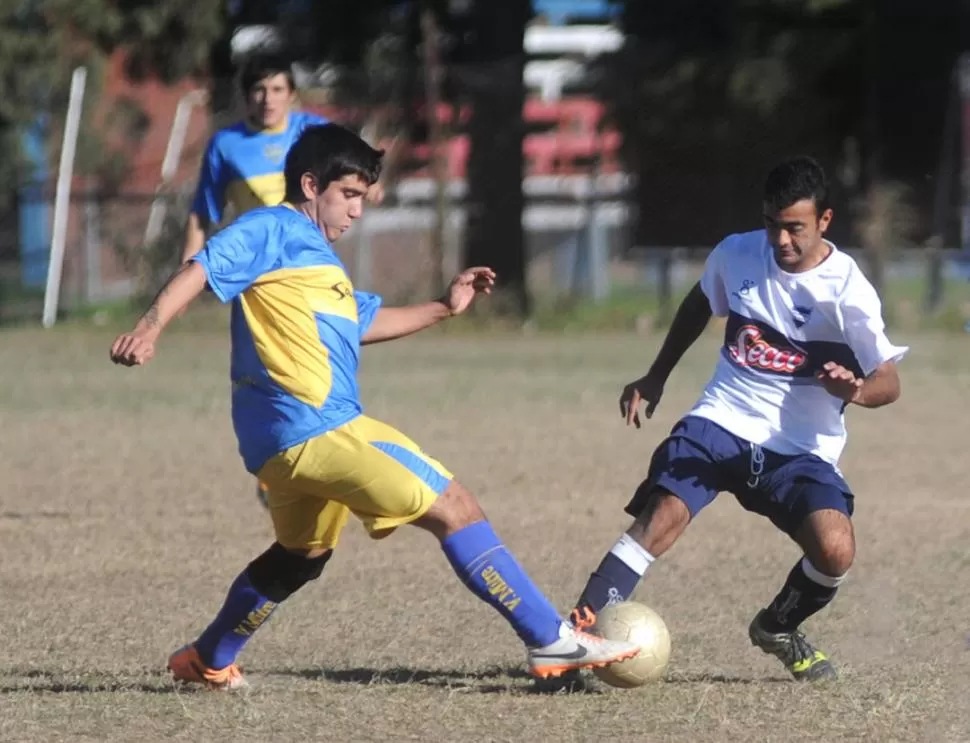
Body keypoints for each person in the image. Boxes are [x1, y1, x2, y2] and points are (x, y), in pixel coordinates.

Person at [110, 123, 639, 690]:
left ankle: (208, 658)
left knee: (302, 554)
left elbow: (364, 323)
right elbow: (202, 268)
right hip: (318, 427)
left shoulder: (317, 261)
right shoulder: (271, 227)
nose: (358, 211)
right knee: (454, 505)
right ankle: (550, 640)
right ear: (311, 185)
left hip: (281, 444)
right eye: (350, 195)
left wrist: (443, 306)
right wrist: (149, 328)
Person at [569, 156, 907, 682]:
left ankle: (778, 625)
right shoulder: (737, 253)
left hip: (799, 449)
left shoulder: (847, 292)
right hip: (721, 420)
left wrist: (857, 389)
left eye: (794, 227)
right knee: (660, 516)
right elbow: (700, 302)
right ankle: (574, 640)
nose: (781, 240)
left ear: (824, 221)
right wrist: (655, 376)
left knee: (836, 549)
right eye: (772, 224)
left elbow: (890, 381)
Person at [180, 52, 383, 509]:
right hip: (257, 276)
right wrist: (189, 270)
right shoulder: (226, 145)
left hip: (307, 270)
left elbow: (352, 168)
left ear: (292, 94)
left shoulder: (312, 134)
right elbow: (202, 213)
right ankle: (282, 465)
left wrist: (366, 186)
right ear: (245, 95)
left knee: (327, 360)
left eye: (276, 89)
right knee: (268, 370)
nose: (267, 99)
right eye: (257, 89)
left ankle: (310, 456)